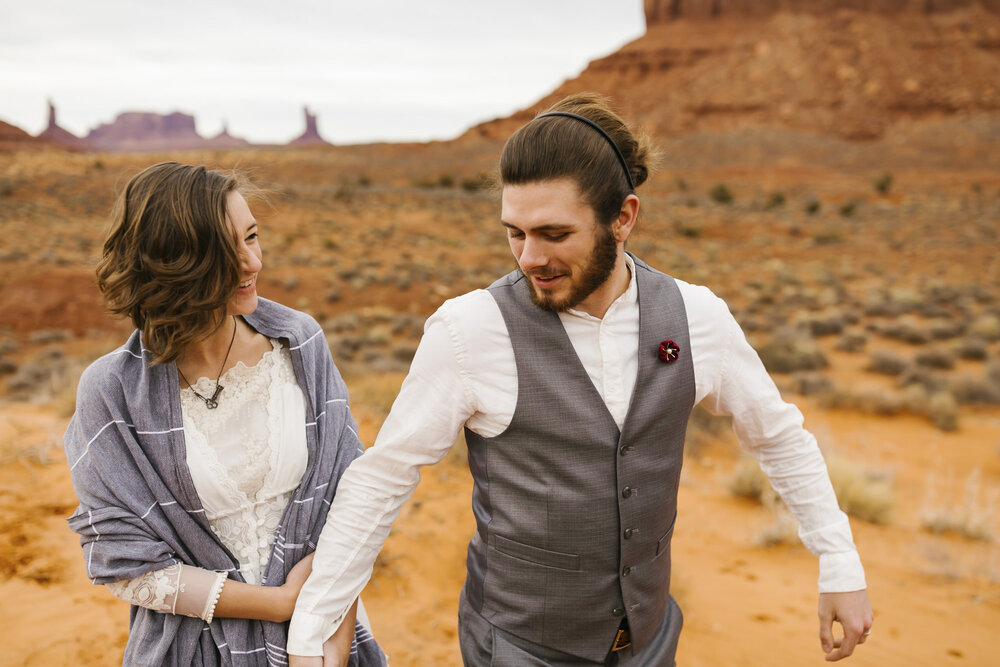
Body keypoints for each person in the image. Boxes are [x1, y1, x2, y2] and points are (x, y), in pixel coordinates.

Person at [287, 93, 873, 666]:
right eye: (515, 232)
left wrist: (839, 563)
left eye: (554, 234)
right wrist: (315, 625)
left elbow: (778, 436)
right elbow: (385, 475)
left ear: (623, 217)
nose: (529, 258)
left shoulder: (697, 317)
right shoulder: (470, 329)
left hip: (650, 638)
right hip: (519, 646)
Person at [64, 162, 387, 666]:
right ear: (175, 263)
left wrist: (318, 649)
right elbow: (124, 564)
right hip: (188, 652)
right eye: (224, 252)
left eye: (253, 237)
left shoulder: (300, 344)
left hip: (327, 636)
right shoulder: (112, 393)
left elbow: (351, 509)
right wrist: (276, 605)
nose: (252, 262)